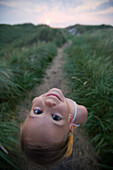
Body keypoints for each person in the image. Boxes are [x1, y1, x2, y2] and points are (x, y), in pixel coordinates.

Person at [20, 88, 88, 167]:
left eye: (37, 112)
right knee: (67, 149)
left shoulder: (39, 102)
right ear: (70, 123)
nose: (49, 102)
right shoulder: (80, 112)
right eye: (56, 117)